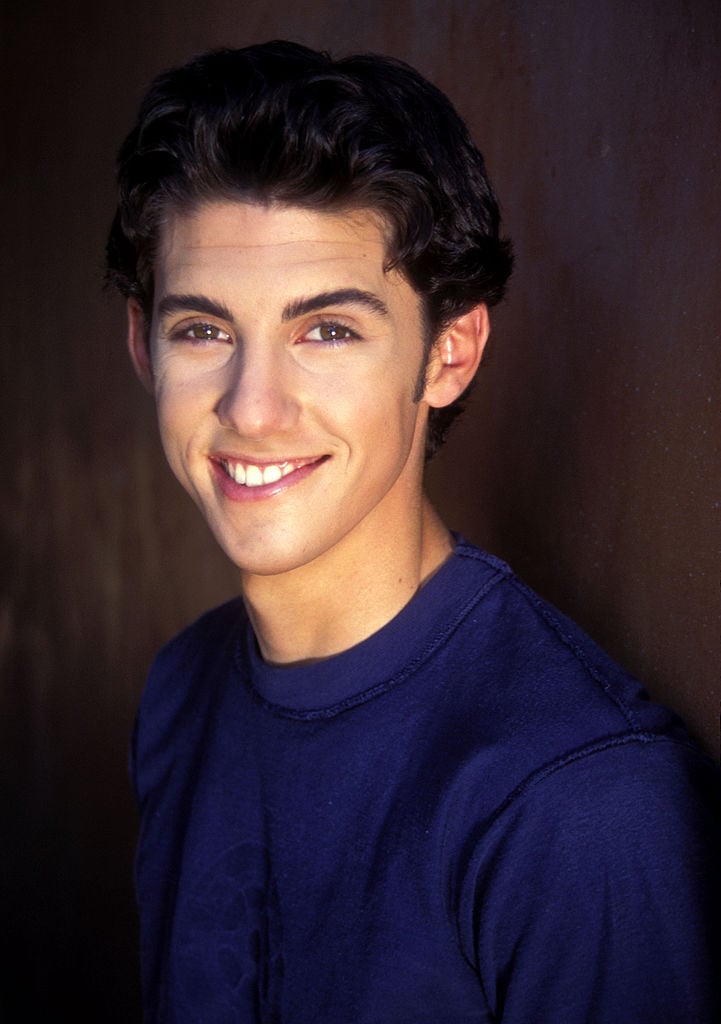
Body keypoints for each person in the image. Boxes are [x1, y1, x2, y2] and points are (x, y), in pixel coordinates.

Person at [107, 40, 720, 1022]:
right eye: (204, 331)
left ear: (448, 354)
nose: (252, 408)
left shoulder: (581, 800)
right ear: (144, 346)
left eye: (327, 330)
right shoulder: (181, 692)